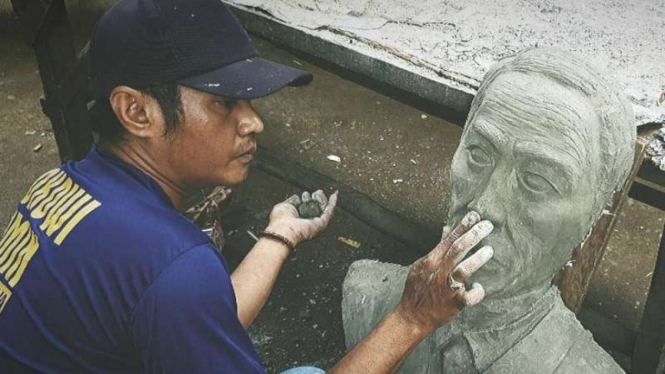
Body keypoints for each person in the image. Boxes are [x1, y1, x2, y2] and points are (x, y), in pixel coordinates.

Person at [0, 1, 493, 373]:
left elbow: (195, 314)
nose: (253, 122)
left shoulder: (60, 185)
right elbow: (182, 295)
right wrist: (411, 317)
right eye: (224, 101)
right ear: (136, 111)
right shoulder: (172, 266)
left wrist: (281, 234)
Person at [342, 48, 635, 373]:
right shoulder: (367, 295)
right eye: (479, 153)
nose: (484, 206)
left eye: (537, 180)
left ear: (593, 216)